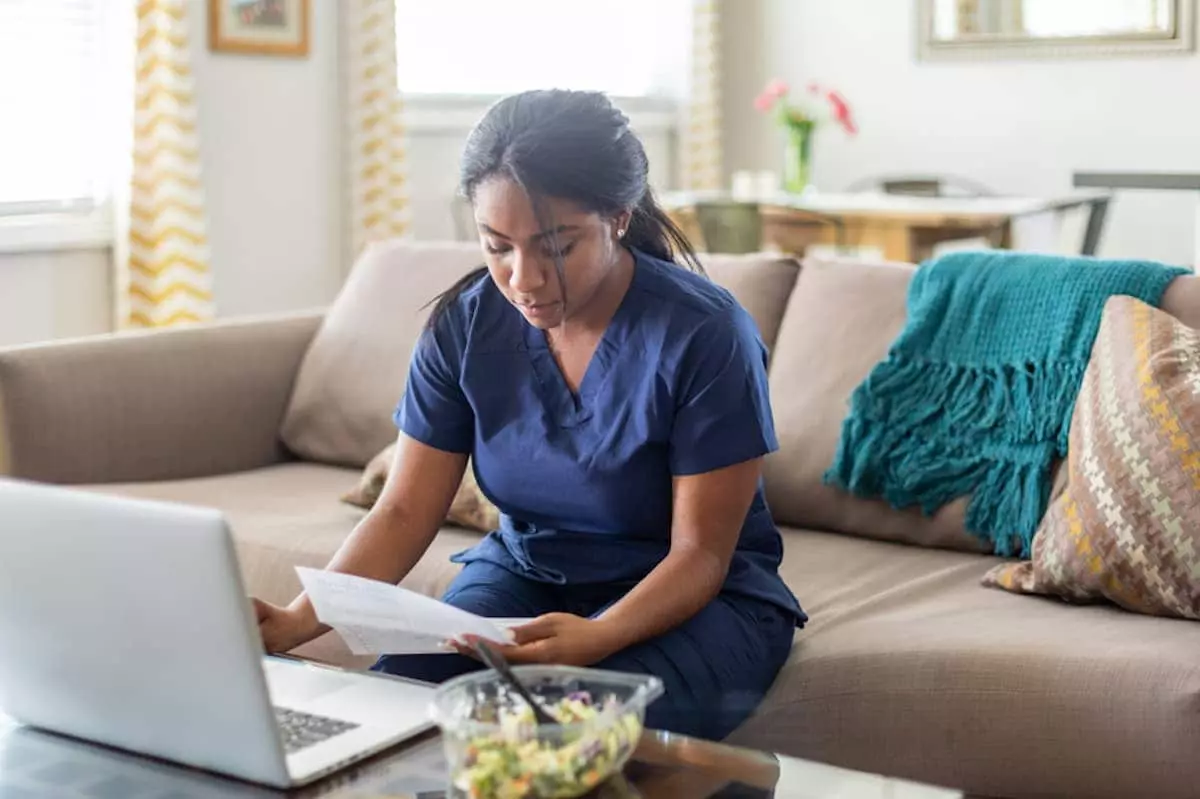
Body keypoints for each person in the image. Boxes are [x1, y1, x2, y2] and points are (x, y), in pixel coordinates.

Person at [254, 89, 806, 740]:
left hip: (699, 599)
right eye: (497, 246)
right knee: (403, 701)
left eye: (556, 246)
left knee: (578, 727)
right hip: (527, 572)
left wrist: (601, 634)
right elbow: (403, 510)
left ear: (620, 217)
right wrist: (296, 620)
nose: (525, 279)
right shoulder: (464, 326)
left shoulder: (706, 333)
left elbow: (700, 553)